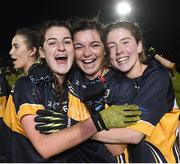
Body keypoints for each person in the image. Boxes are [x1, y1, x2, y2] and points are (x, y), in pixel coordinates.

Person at [1, 20, 141, 162]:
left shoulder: (123, 86)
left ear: (105, 49)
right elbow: (45, 146)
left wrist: (74, 122)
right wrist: (36, 68)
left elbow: (116, 149)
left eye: (94, 45)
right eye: (79, 46)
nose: (87, 53)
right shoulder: (66, 76)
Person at [93, 21, 180, 163]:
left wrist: (79, 130)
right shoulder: (113, 82)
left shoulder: (157, 76)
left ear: (139, 46)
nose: (119, 50)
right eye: (112, 46)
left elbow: (133, 135)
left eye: (125, 42)